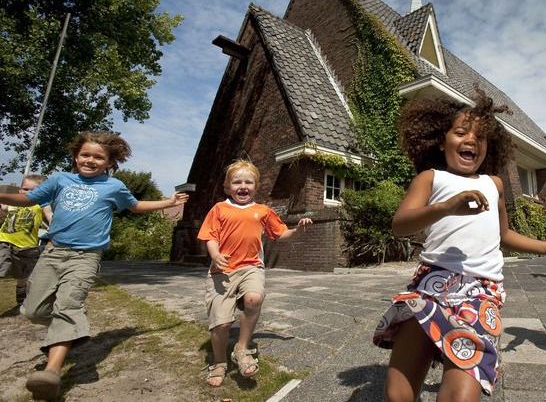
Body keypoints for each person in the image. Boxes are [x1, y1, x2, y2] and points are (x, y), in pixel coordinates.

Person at [372, 92, 546, 402]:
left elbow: (503, 234)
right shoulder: (430, 178)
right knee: (398, 394)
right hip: (430, 286)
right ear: (441, 140)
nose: (471, 140)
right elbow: (400, 224)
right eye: (461, 132)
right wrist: (447, 207)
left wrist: (544, 246)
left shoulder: (494, 183)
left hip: (480, 292)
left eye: (481, 137)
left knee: (461, 397)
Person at [0, 131, 189, 401]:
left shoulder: (113, 187)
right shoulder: (60, 180)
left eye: (98, 157)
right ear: (76, 156)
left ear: (110, 162)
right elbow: (29, 199)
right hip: (53, 253)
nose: (90, 160)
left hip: (86, 257)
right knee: (32, 310)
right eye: (85, 155)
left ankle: (51, 373)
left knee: (67, 307)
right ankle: (72, 326)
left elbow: (135, 206)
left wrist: (169, 203)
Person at [197, 159, 312, 386]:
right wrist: (215, 255)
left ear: (256, 186)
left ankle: (242, 348)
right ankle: (219, 362)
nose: (243, 186)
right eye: (237, 181)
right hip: (222, 271)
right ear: (227, 187)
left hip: (251, 267)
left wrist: (297, 230)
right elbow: (210, 236)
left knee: (254, 298)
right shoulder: (219, 209)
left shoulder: (263, 211)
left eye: (248, 182)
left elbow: (280, 234)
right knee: (221, 323)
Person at [0, 174, 52, 305]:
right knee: (1, 266)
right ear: (19, 190)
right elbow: (3, 210)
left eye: (33, 190)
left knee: (22, 276)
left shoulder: (41, 204)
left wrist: (55, 228)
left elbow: (50, 216)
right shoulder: (13, 203)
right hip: (5, 240)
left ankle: (21, 290)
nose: (27, 193)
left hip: (27, 248)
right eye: (25, 189)